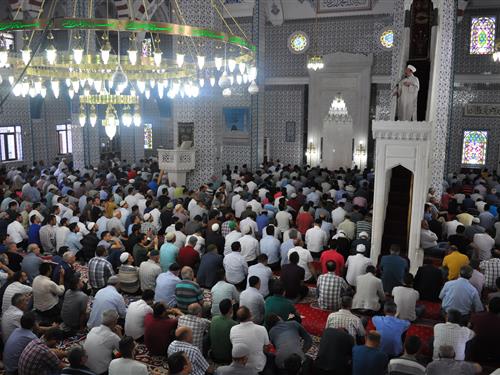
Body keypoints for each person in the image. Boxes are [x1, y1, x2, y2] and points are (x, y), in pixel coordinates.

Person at [230, 306, 270, 373]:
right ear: (250, 315)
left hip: (239, 366)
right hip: (258, 367)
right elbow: (266, 347)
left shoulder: (233, 329)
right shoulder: (262, 329)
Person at [84, 309, 122, 375]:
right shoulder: (113, 337)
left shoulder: (93, 329)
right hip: (102, 372)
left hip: (86, 368)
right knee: (118, 353)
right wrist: (119, 334)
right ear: (115, 322)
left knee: (112, 349)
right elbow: (125, 349)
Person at [468, 297, 500, 362]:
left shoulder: (476, 317)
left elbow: (468, 329)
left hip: (476, 353)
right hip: (495, 355)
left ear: (488, 306)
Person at [209, 299, 238, 364]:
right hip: (227, 358)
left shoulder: (213, 319)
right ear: (230, 309)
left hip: (214, 355)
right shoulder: (234, 324)